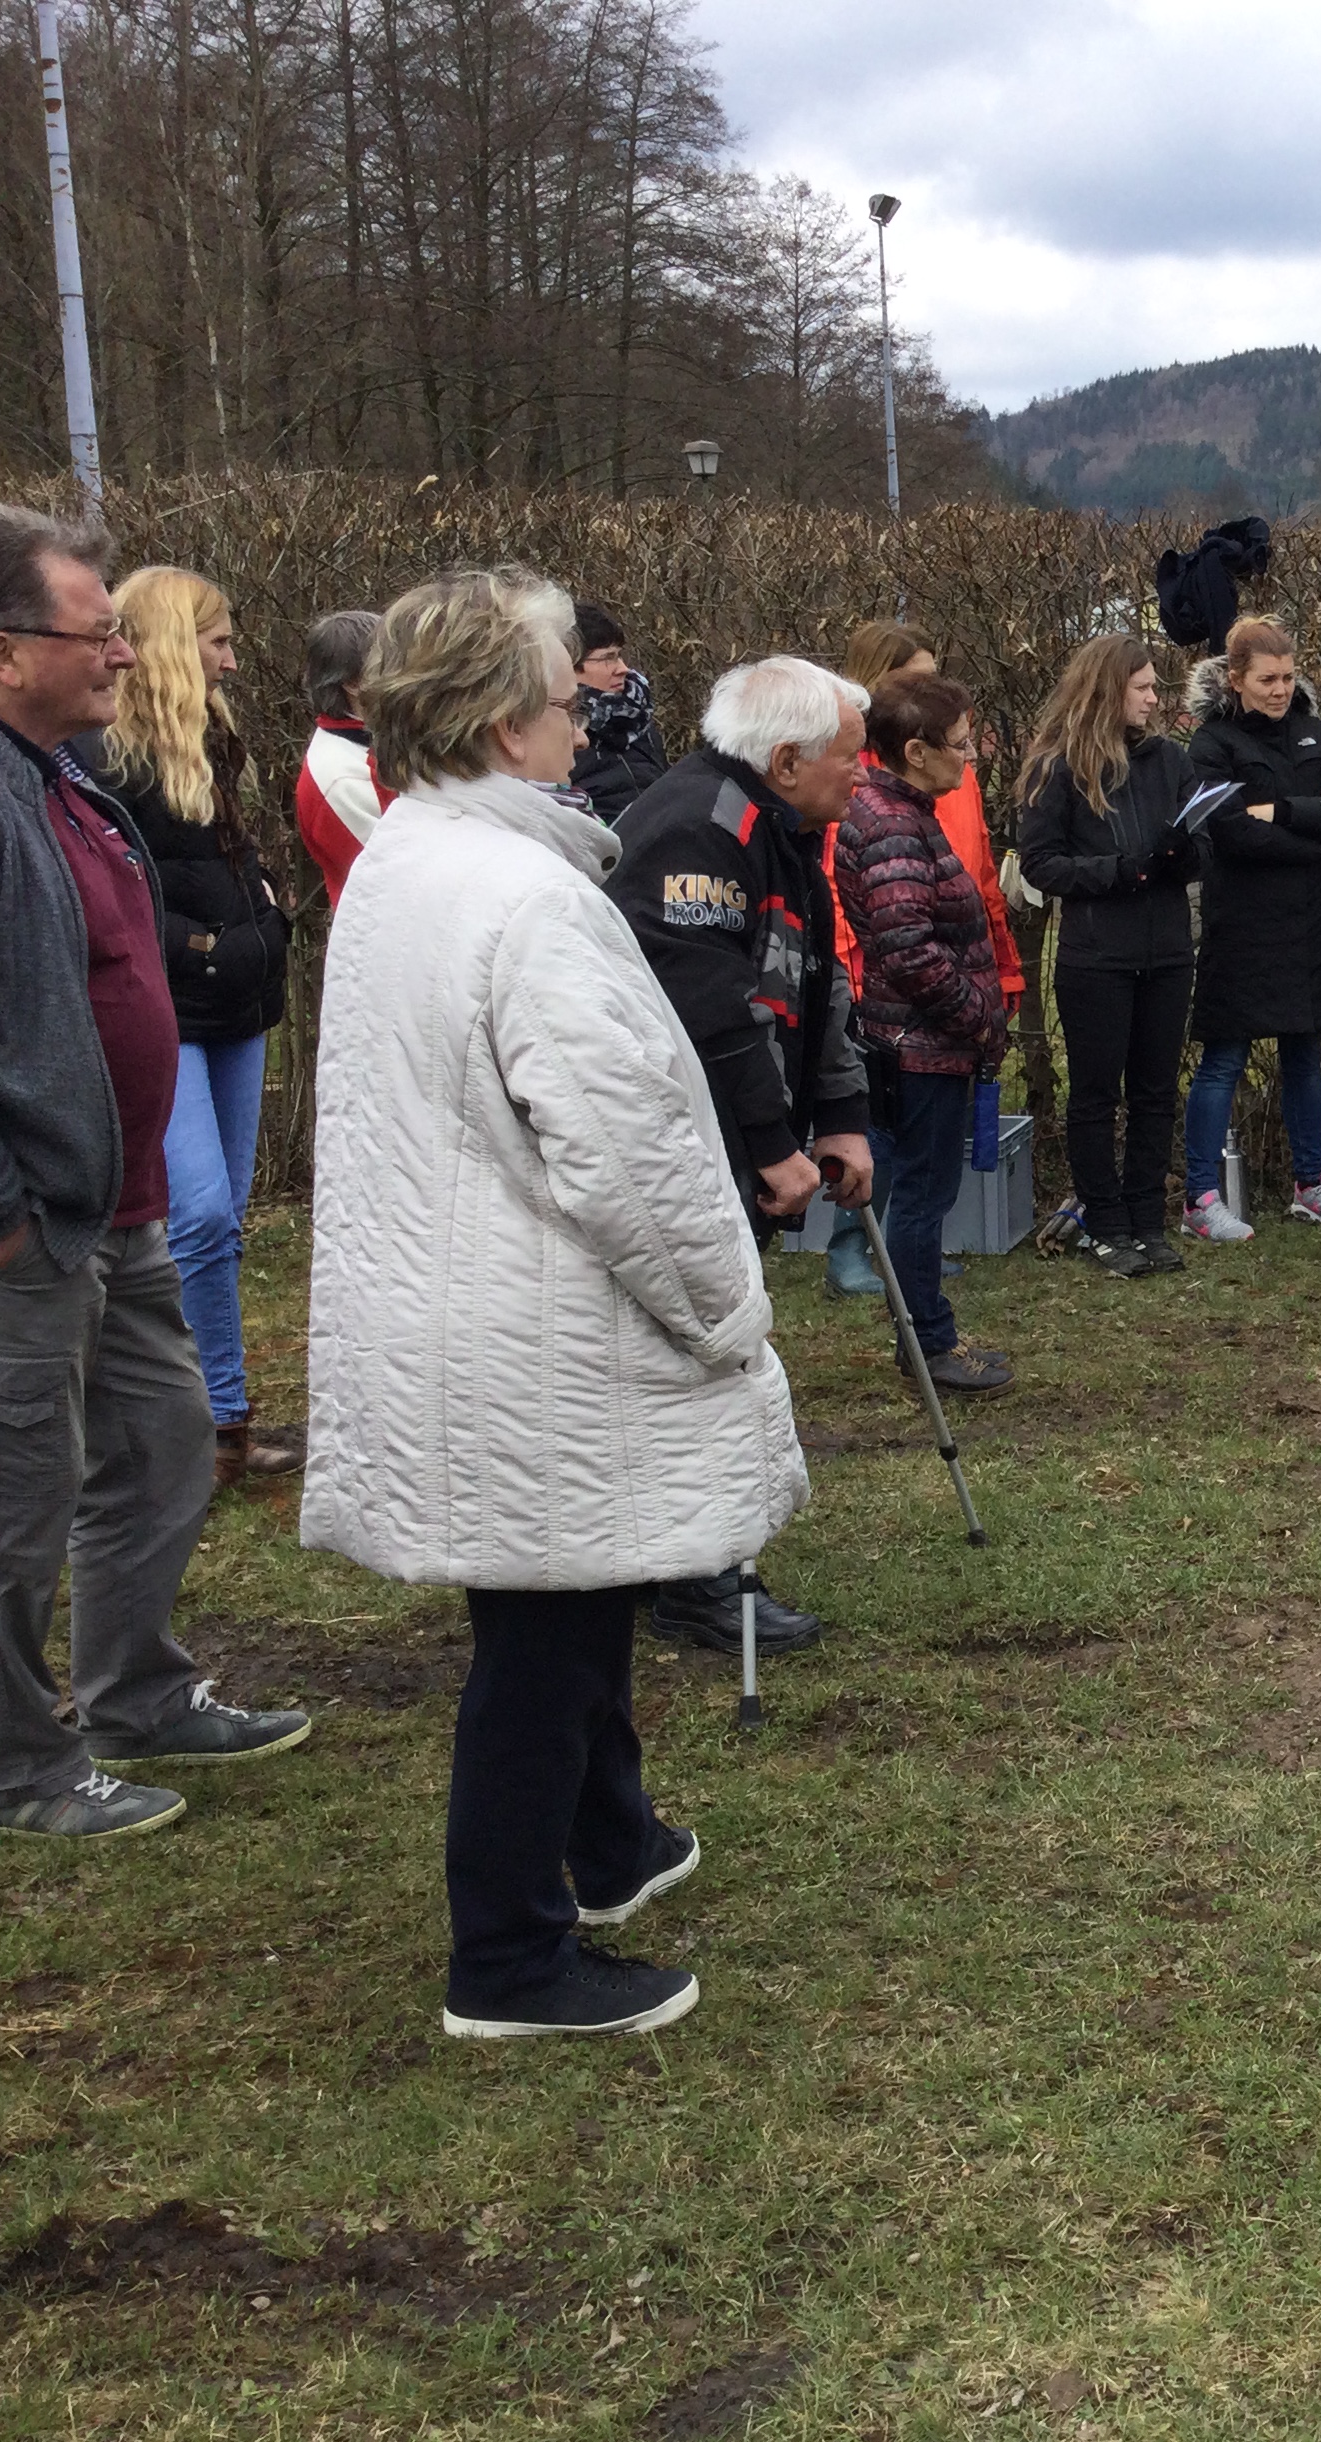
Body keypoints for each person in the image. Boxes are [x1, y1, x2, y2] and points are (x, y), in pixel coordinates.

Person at [309, 566, 803, 2038]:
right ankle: (511, 1960)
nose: (581, 714)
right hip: (529, 1319)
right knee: (550, 1640)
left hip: (458, 1298)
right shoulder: (524, 896)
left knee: (576, 1590)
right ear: (502, 719)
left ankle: (610, 1845)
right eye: (554, 692)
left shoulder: (416, 857)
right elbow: (627, 1150)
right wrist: (728, 1316)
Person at [0, 499, 309, 1839]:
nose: (125, 655)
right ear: (3, 648)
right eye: (97, 634)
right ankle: (15, 1772)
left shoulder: (55, 772)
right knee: (11, 1504)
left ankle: (137, 1694)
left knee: (155, 1449)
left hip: (111, 1209)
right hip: (12, 1229)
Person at [604, 657, 874, 1658]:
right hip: (682, 1145)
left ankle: (664, 1562)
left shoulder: (787, 829)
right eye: (851, 755)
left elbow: (815, 978)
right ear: (791, 756)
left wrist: (841, 1111)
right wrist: (770, 1145)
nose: (864, 773)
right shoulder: (696, 829)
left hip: (736, 1136)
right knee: (705, 1353)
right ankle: (699, 1579)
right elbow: (713, 1008)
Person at [85, 566, 301, 1483]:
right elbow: (114, 897)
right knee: (199, 1214)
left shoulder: (213, 741)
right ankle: (191, 1423)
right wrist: (208, 944)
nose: (234, 661)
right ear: (178, 646)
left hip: (238, 1012)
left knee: (224, 1221)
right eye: (217, 641)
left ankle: (222, 1421)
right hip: (169, 1013)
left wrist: (263, 914)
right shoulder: (103, 761)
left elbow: (217, 861)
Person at [820, 617, 1026, 1298]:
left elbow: (977, 873)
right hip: (902, 1002)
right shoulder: (864, 791)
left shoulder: (949, 776)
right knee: (886, 1140)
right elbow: (886, 915)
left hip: (947, 985)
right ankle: (862, 1248)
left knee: (925, 1170)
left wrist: (1002, 968)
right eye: (916, 681)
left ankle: (910, 1258)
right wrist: (970, 1010)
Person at [1179, 618, 1321, 1240]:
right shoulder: (1210, 744)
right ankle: (1200, 1197)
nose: (1280, 689)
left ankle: (1310, 1183)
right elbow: (1231, 832)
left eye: (1288, 677)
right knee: (1223, 1059)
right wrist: (1315, 831)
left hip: (1311, 921)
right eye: (1266, 679)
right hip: (1242, 924)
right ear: (1235, 680)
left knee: (1305, 1054)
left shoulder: (1316, 732)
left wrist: (1285, 811)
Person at [1017, 635, 1200, 1278]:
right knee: (1096, 1094)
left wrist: (1182, 854)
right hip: (1097, 956)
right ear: (1107, 690)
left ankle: (1148, 1220)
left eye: (1156, 686)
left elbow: (1197, 849)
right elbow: (1042, 865)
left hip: (1169, 950)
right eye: (1144, 687)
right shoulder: (1055, 766)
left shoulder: (1169, 761)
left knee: (1155, 1092)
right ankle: (1105, 1220)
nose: (1155, 698)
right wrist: (1122, 871)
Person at [292, 608, 385, 905]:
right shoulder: (338, 776)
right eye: (391, 663)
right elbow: (403, 877)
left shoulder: (380, 741)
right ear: (354, 682)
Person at [568, 602, 666, 824]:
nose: (622, 668)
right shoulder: (553, 729)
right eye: (608, 658)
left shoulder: (637, 719)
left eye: (619, 656)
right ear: (570, 665)